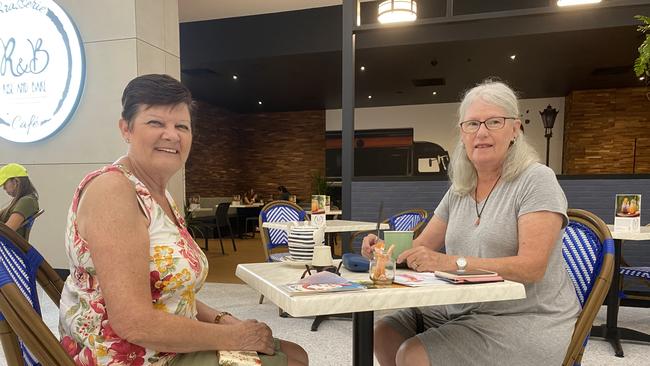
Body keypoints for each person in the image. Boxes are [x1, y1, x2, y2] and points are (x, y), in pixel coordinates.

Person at [58, 74, 308, 366]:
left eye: (181, 126)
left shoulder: (160, 196)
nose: (172, 135)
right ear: (125, 129)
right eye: (156, 123)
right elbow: (133, 322)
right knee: (289, 362)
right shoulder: (113, 191)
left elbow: (168, 292)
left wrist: (222, 320)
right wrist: (236, 338)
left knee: (294, 353)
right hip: (133, 357)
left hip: (164, 346)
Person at [362, 80, 579, 366]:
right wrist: (383, 250)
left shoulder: (536, 180)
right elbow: (420, 248)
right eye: (472, 124)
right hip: (464, 307)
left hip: (525, 315)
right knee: (382, 333)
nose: (482, 132)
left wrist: (447, 262)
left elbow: (532, 267)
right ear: (462, 134)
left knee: (412, 355)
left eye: (494, 122)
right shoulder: (460, 187)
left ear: (515, 129)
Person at [0, 163, 39, 240]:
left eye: (5, 184)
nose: (4, 188)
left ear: (15, 182)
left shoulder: (27, 201)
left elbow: (8, 230)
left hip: (10, 248)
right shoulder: (21, 201)